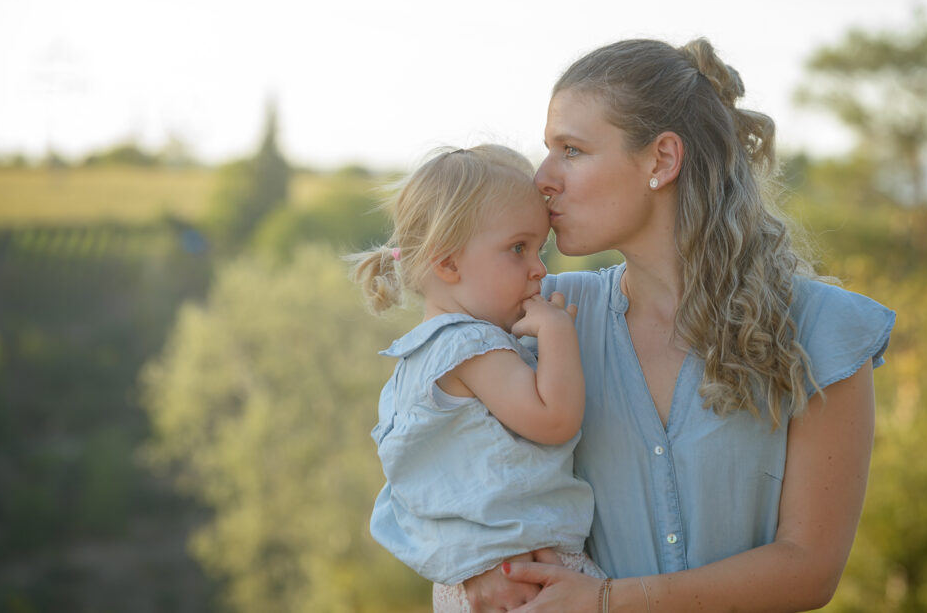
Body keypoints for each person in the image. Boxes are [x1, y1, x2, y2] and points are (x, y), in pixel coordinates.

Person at [462, 39, 896, 612]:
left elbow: (810, 569)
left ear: (662, 160)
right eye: (549, 150)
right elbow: (432, 450)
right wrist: (469, 570)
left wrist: (609, 602)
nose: (543, 177)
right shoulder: (543, 317)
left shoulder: (823, 329)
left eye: (571, 150)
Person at [349, 145, 605, 612]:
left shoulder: (418, 359)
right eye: (518, 248)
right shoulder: (472, 348)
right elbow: (555, 419)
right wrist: (557, 334)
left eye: (539, 248)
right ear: (448, 264)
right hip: (531, 576)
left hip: (468, 580)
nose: (540, 268)